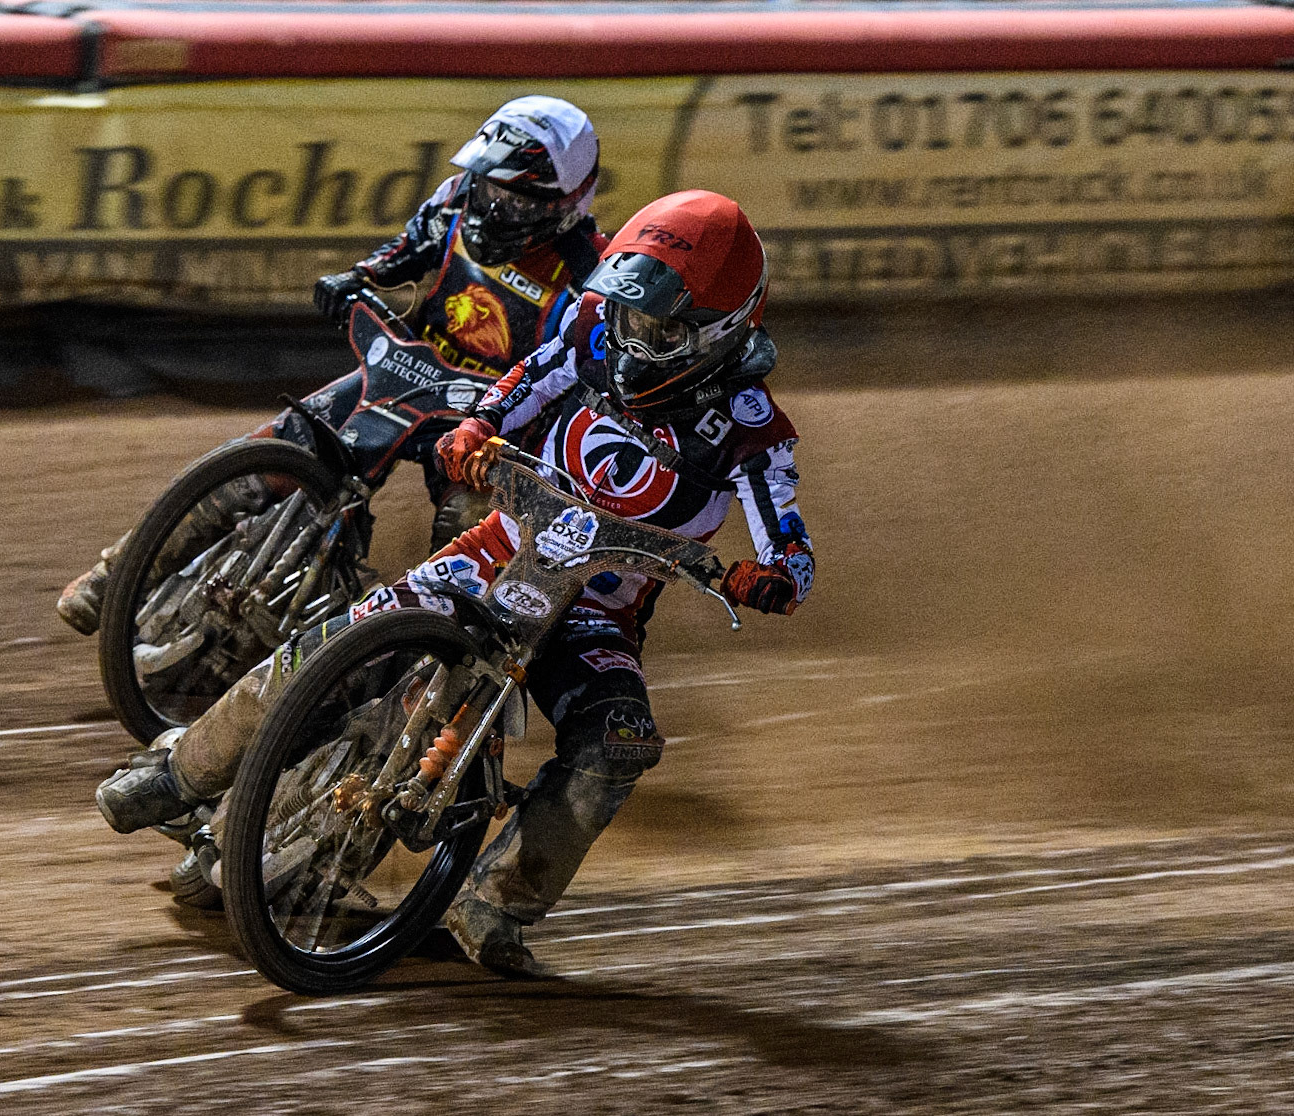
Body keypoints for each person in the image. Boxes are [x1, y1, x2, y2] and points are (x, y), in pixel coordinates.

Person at [95, 189, 816, 977]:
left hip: (594, 614)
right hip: (495, 547)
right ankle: (176, 774)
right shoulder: (592, 327)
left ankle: (494, 907)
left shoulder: (753, 431)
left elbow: (790, 544)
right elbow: (527, 378)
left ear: (722, 328)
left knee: (618, 741)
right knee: (333, 644)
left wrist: (771, 576)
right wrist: (477, 427)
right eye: (627, 312)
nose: (633, 337)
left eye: (661, 328)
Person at [56, 95, 607, 635]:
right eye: (490, 187)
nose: (494, 207)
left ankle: (429, 657)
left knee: (468, 530)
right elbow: (404, 252)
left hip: (484, 426)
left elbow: (580, 376)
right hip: (404, 374)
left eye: (516, 200)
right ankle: (114, 577)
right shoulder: (455, 200)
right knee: (263, 453)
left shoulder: (591, 273)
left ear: (565, 205)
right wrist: (357, 278)